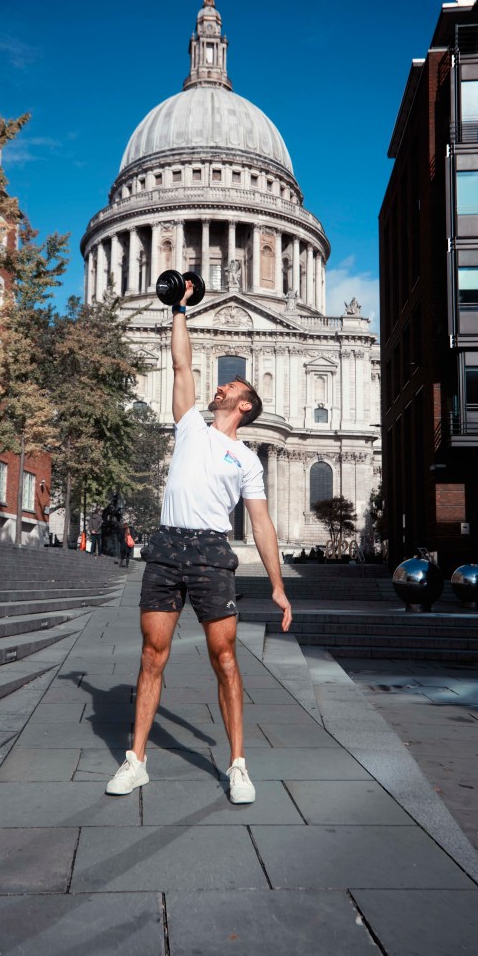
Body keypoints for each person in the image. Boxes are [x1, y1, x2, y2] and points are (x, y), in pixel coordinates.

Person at [107, 279, 292, 804]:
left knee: (225, 658)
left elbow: (260, 526)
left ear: (244, 406)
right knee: (151, 655)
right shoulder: (189, 424)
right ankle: (136, 760)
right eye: (222, 385)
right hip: (166, 547)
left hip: (213, 552)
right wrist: (180, 310)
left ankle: (237, 764)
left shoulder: (249, 459)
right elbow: (183, 364)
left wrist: (278, 586)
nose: (221, 386)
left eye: (230, 388)